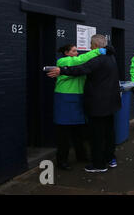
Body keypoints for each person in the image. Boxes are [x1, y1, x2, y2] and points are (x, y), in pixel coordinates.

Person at [47, 35, 121, 173]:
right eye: (74, 51)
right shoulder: (111, 57)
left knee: (97, 135)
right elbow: (80, 63)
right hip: (109, 103)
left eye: (91, 46)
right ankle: (110, 158)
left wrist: (61, 71)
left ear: (94, 46)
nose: (79, 53)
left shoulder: (97, 58)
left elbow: (81, 68)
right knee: (108, 132)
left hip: (98, 104)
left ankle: (99, 164)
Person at [52, 44, 104, 170]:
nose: (77, 52)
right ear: (66, 52)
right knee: (63, 134)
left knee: (79, 132)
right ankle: (62, 161)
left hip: (77, 99)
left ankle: (81, 156)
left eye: (76, 50)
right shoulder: (63, 61)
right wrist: (98, 51)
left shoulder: (76, 63)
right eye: (74, 51)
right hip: (65, 99)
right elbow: (79, 60)